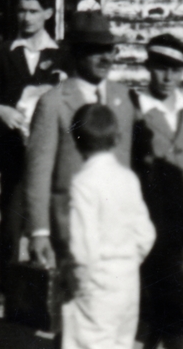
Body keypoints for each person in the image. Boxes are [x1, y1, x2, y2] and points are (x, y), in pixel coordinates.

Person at [24, 10, 135, 276]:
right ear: (76, 53)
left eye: (110, 50)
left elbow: (127, 165)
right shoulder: (54, 103)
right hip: (71, 228)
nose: (106, 57)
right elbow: (38, 173)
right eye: (96, 51)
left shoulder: (123, 99)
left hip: (118, 228)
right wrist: (39, 232)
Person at [0, 0, 63, 288]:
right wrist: (2, 111)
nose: (26, 17)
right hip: (14, 150)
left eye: (33, 11)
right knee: (12, 219)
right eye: (21, 11)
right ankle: (5, 285)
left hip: (49, 152)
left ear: (47, 14)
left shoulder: (60, 54)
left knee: (47, 217)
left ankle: (43, 284)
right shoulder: (3, 52)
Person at [61, 103, 156, 349]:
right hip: (126, 281)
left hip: (95, 285)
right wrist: (127, 261)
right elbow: (146, 233)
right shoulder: (127, 178)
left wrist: (79, 285)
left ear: (76, 141)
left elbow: (83, 248)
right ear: (117, 138)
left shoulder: (83, 183)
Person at [132, 34, 183, 349]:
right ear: (148, 67)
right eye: (161, 68)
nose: (169, 77)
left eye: (176, 69)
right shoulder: (134, 111)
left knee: (174, 296)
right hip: (149, 221)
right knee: (165, 297)